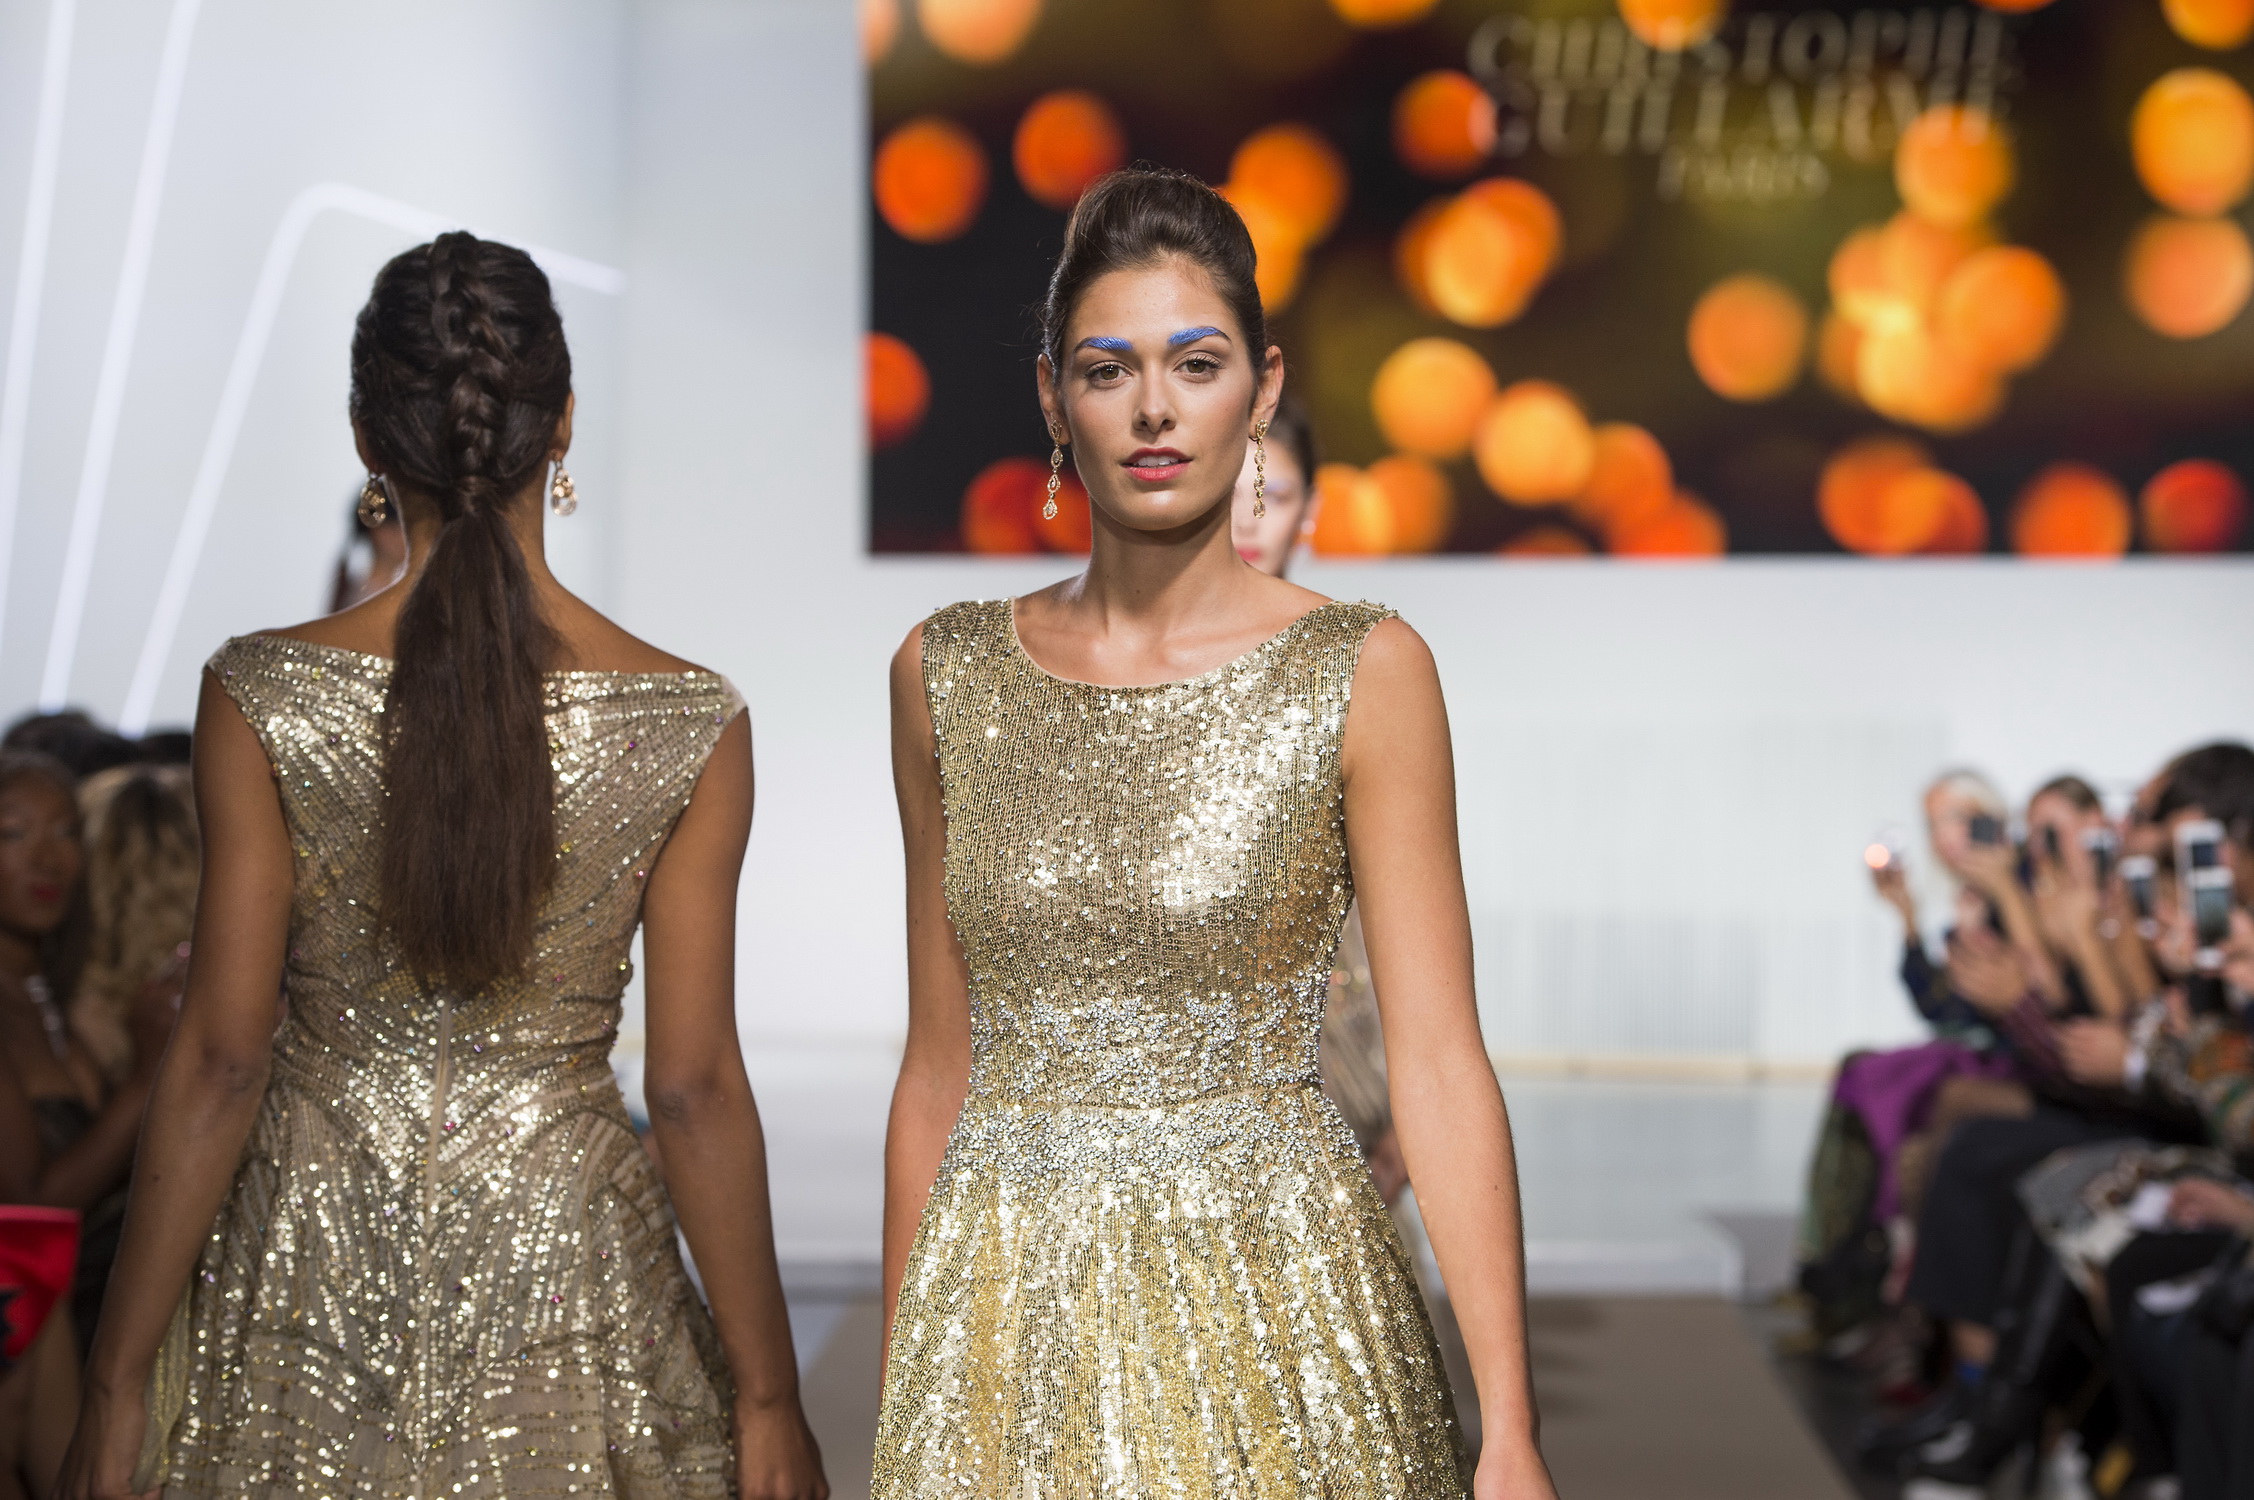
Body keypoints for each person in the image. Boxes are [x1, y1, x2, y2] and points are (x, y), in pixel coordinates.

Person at [56, 232, 825, 1500]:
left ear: (368, 436)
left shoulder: (263, 695)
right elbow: (691, 1090)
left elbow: (221, 1059)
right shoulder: (689, 720)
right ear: (562, 422)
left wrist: (114, 1381)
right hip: (570, 1265)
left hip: (305, 1261)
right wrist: (769, 1397)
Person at [875, 168, 1554, 1499]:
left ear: (1260, 386)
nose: (1153, 409)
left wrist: (1513, 1431)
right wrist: (909, 1400)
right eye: (1106, 369)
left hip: (1282, 1314)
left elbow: (1437, 1060)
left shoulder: (1364, 670)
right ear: (1051, 398)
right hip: (1008, 1324)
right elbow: (936, 1070)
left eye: (1195, 364)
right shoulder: (943, 676)